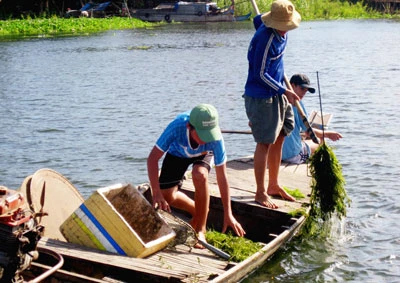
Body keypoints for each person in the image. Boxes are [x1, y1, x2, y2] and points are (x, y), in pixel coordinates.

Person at [147, 104, 245, 247]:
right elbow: (152, 159)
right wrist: (156, 192)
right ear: (189, 127)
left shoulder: (215, 139)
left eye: (209, 135)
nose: (206, 140)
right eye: (202, 135)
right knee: (167, 196)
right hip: (178, 153)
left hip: (204, 155)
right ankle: (198, 210)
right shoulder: (176, 127)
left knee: (199, 174)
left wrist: (228, 213)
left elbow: (222, 177)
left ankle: (200, 229)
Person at [243, 0, 301, 209]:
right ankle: (260, 192)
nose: (288, 28)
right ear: (276, 23)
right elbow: (259, 74)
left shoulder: (270, 26)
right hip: (262, 96)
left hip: (276, 92)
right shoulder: (266, 39)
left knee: (284, 132)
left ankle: (274, 184)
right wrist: (284, 90)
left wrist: (282, 91)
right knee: (265, 142)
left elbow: (257, 19)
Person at [282, 74, 343, 164]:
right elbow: (308, 131)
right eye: (302, 89)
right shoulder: (297, 104)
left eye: (306, 90)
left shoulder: (278, 99)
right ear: (292, 85)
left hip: (274, 152)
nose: (304, 93)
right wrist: (328, 134)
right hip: (292, 155)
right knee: (321, 141)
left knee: (302, 137)